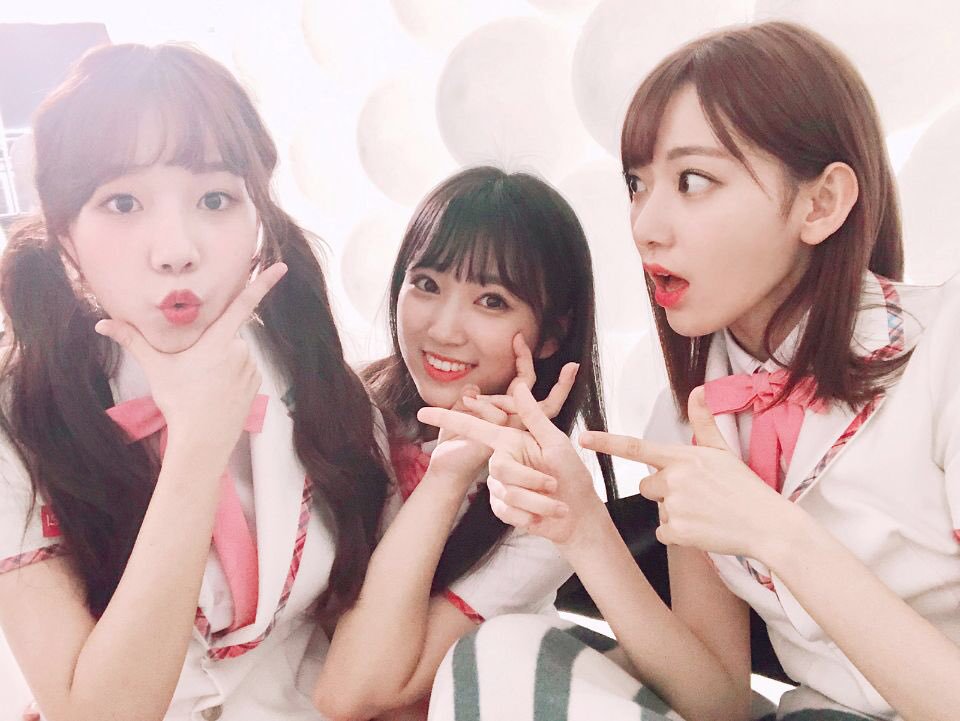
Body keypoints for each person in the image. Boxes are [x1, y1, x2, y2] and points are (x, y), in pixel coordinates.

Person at [418, 21, 960, 721]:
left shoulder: (944, 349)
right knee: (505, 650)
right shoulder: (690, 413)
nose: (646, 225)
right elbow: (717, 699)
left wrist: (776, 533)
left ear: (820, 203)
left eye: (693, 180)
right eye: (637, 184)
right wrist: (583, 526)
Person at [0, 43, 394, 721]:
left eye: (215, 198)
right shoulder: (21, 418)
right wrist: (198, 445)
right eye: (123, 202)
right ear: (64, 236)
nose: (176, 250)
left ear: (257, 217)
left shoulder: (308, 366)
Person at [313, 167, 617, 720]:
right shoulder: (347, 411)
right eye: (427, 284)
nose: (444, 330)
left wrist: (449, 476)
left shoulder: (545, 497)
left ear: (552, 333)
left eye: (492, 301)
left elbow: (351, 693)